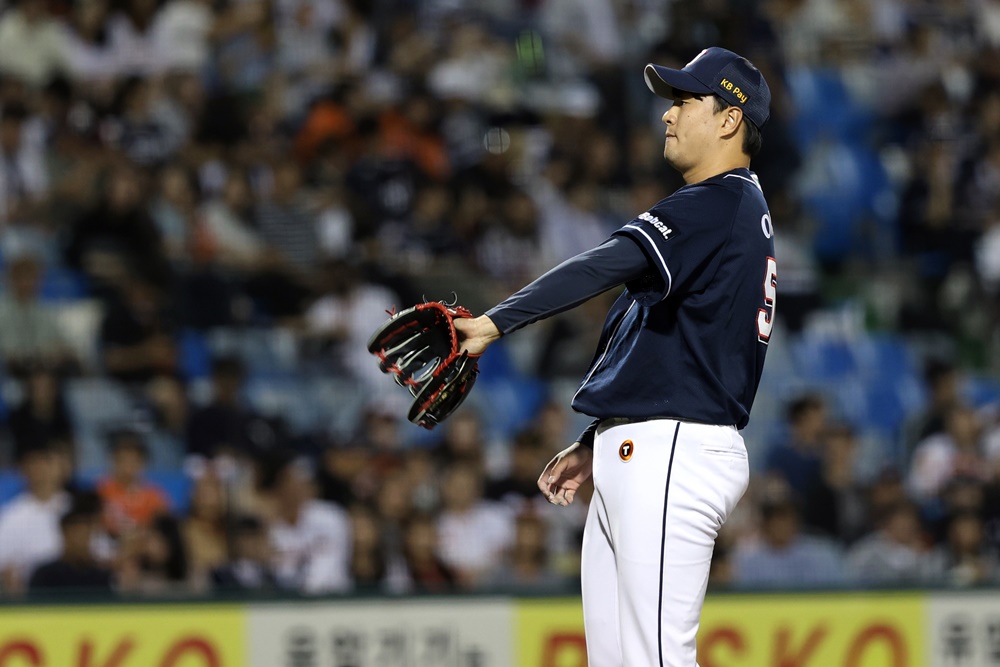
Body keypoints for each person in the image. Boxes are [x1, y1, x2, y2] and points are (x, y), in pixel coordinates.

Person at [455, 47, 774, 665]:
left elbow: (602, 264)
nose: (668, 116)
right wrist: (602, 435)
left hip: (675, 450)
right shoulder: (728, 211)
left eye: (685, 101)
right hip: (652, 444)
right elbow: (662, 336)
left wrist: (496, 321)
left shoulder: (719, 201)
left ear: (730, 119)